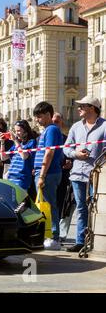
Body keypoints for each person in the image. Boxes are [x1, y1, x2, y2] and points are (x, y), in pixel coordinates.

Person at [63, 96, 106, 253]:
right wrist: (76, 154)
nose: (78, 108)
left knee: (97, 208)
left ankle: (97, 240)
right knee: (81, 208)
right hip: (77, 174)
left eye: (82, 106)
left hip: (97, 175)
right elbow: (66, 148)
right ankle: (80, 241)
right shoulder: (75, 127)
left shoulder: (104, 126)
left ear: (92, 108)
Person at [33, 101, 64, 250]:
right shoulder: (47, 130)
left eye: (39, 116)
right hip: (45, 172)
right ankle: (47, 235)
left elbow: (49, 152)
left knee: (49, 205)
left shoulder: (51, 129)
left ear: (47, 115)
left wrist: (42, 175)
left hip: (48, 174)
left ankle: (53, 237)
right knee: (44, 205)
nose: (37, 120)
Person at [53, 112, 75, 242]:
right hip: (49, 176)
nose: (56, 123)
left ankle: (60, 234)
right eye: (54, 121)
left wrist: (70, 163)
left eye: (58, 121)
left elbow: (71, 155)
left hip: (63, 177)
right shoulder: (42, 138)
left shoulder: (66, 138)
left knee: (62, 205)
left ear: (61, 123)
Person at [0, 120, 37, 191]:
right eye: (15, 131)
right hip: (10, 178)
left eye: (19, 131)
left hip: (21, 179)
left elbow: (24, 156)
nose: (16, 133)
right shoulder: (17, 144)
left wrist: (15, 140)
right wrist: (2, 143)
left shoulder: (31, 142)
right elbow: (3, 157)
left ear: (26, 131)